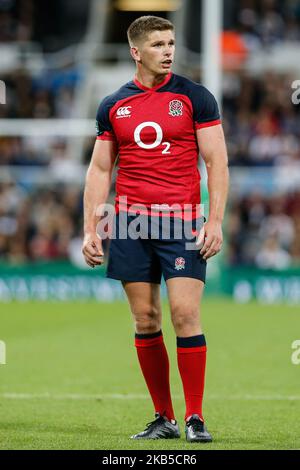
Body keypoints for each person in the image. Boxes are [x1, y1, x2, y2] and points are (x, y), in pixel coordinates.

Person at [82, 15, 229, 443]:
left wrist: (215, 219)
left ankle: (195, 417)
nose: (169, 51)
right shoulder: (113, 104)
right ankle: (163, 416)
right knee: (146, 319)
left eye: (171, 43)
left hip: (180, 218)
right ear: (136, 51)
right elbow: (99, 168)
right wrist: (91, 228)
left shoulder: (195, 97)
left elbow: (216, 161)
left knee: (185, 314)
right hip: (128, 222)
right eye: (160, 44)